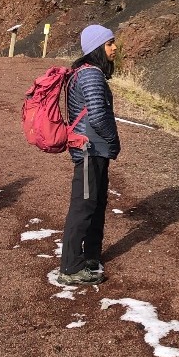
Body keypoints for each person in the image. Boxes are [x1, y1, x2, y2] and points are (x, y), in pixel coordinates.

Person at [58, 24, 121, 285]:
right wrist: (114, 140)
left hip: (92, 149)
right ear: (97, 47)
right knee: (83, 206)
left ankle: (91, 256)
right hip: (89, 150)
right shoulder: (91, 75)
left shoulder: (83, 73)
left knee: (94, 203)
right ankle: (70, 268)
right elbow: (97, 115)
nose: (114, 47)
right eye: (109, 43)